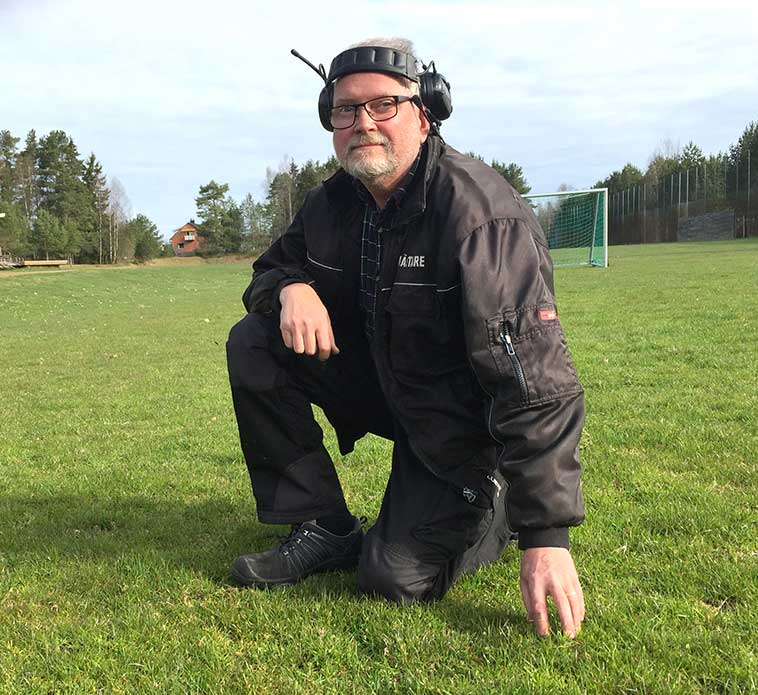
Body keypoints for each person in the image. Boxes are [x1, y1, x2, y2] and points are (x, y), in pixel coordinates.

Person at [225, 38, 586, 638]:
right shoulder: (328, 204)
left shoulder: (479, 216)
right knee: (255, 341)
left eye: (383, 105)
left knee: (393, 578)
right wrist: (291, 287)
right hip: (384, 384)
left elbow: (534, 377)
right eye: (346, 109)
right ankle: (322, 525)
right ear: (330, 120)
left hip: (459, 423)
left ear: (426, 112)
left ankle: (490, 499)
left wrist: (545, 534)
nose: (363, 123)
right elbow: (267, 271)